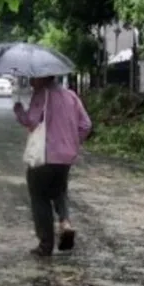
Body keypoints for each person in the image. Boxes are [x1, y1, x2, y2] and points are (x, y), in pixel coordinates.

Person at [14, 75, 92, 257]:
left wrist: (19, 111)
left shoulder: (41, 94)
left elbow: (31, 121)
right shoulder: (71, 95)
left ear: (44, 78)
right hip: (66, 157)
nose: (31, 81)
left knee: (39, 196)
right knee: (59, 190)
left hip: (45, 155)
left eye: (33, 77)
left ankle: (45, 245)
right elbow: (86, 124)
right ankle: (65, 222)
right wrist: (73, 142)